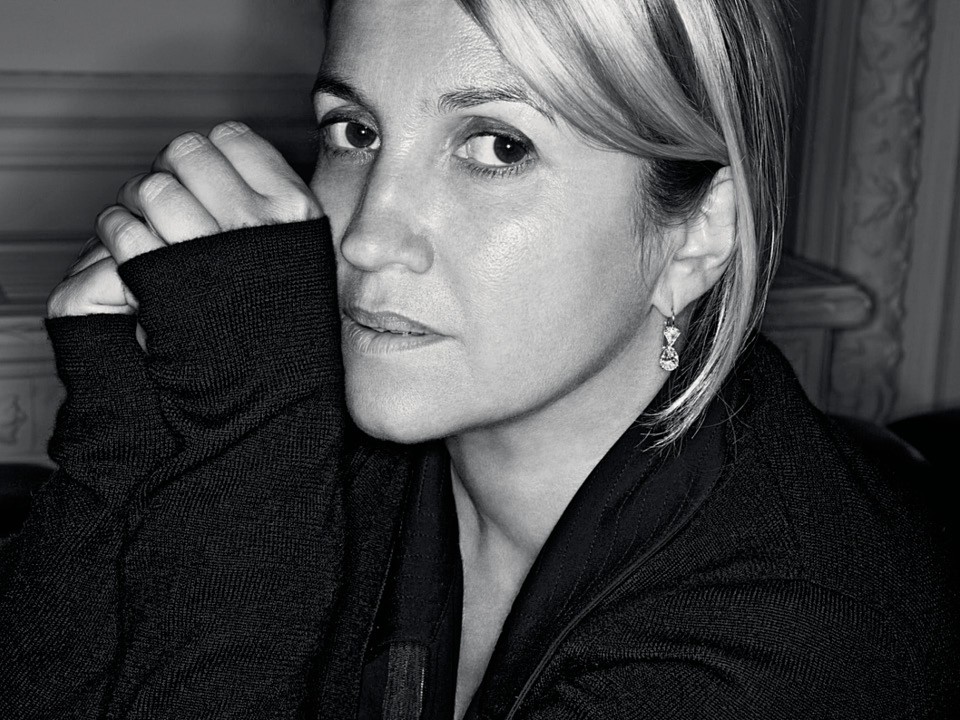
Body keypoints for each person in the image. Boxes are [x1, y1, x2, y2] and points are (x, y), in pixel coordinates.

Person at [1, 0, 956, 717]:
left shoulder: (789, 644)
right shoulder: (367, 450)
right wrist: (123, 434)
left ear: (700, 231)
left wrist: (248, 448)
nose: (366, 236)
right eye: (355, 132)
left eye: (497, 146)